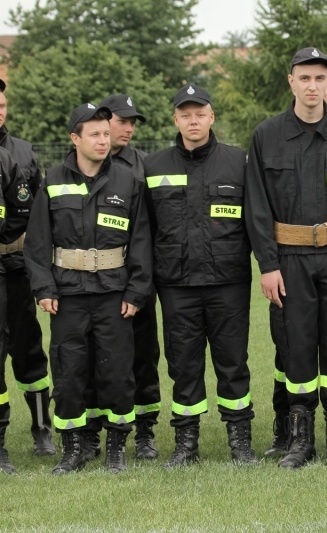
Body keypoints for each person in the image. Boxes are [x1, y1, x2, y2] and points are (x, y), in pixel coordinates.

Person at [246, 47, 327, 469]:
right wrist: (267, 265)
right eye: (305, 78)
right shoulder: (266, 135)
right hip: (289, 259)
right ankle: (300, 441)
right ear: (291, 82)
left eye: (320, 78)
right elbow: (257, 208)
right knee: (296, 348)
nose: (312, 85)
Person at [24, 103, 152, 474]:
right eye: (94, 134)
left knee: (116, 373)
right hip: (67, 296)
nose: (103, 140)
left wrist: (136, 292)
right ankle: (73, 448)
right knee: (69, 373)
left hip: (114, 294)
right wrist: (44, 288)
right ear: (74, 139)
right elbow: (37, 243)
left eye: (105, 133)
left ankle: (116, 448)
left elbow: (141, 240)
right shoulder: (52, 181)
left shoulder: (127, 181)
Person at [144, 84, 256, 467]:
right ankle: (186, 442)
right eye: (185, 114)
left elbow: (254, 224)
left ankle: (240, 440)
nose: (193, 120)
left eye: (200, 113)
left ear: (212, 117)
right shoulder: (154, 167)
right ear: (175, 119)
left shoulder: (238, 162)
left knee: (232, 363)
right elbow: (146, 229)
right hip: (176, 286)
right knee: (183, 365)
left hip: (228, 282)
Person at [76, 93, 162, 461]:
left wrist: (140, 283)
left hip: (135, 280)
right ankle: (92, 432)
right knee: (94, 357)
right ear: (103, 123)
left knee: (143, 355)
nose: (127, 128)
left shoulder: (145, 165)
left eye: (132, 123)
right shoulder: (84, 165)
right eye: (122, 121)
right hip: (94, 286)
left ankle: (144, 431)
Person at [0, 78, 56, 470]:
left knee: (30, 353)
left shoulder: (23, 151)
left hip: (18, 268)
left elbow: (39, 212)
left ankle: (42, 429)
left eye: (2, 105)